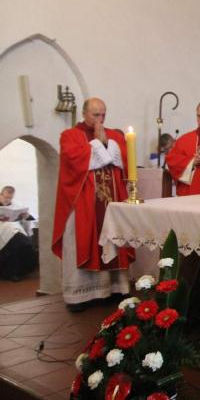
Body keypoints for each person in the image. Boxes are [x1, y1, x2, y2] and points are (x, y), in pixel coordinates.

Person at [51, 98, 133, 311]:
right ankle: (80, 296)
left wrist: (107, 144)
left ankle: (113, 289)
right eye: (96, 114)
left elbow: (126, 158)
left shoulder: (114, 135)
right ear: (84, 114)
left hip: (112, 203)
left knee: (113, 240)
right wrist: (99, 144)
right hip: (83, 205)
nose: (100, 119)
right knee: (81, 241)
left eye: (103, 114)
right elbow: (73, 159)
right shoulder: (70, 135)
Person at [0, 186, 37, 281]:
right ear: (1, 195)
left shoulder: (17, 205)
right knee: (18, 243)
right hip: (2, 229)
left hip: (14, 229)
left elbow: (29, 219)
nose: (8, 200)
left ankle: (17, 272)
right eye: (6, 197)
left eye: (10, 198)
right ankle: (12, 273)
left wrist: (26, 216)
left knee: (21, 244)